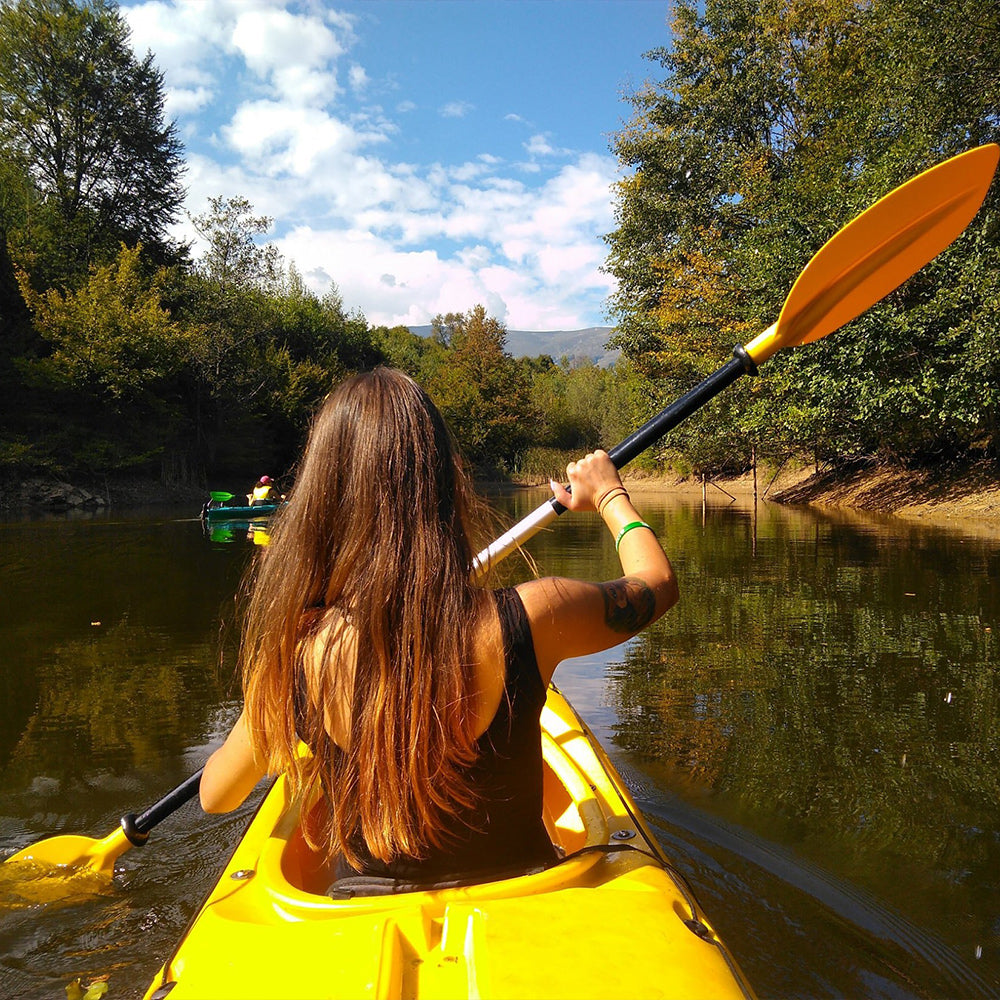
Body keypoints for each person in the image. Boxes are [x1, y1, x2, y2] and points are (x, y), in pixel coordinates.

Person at [200, 368, 678, 890]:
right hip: (523, 894)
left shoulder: (298, 651)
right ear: (445, 485)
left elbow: (215, 796)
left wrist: (282, 712)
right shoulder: (536, 615)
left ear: (321, 499)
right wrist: (609, 495)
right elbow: (656, 583)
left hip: (363, 907)